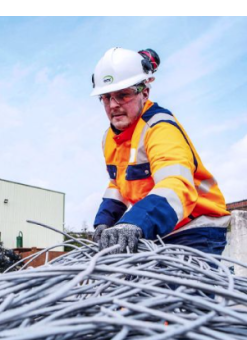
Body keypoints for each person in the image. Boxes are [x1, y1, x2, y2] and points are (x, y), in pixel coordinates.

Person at [91, 47, 231, 256]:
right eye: (106, 97)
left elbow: (176, 184)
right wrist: (104, 221)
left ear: (144, 92)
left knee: (177, 289)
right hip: (159, 227)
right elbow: (119, 184)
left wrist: (134, 221)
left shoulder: (160, 127)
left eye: (123, 95)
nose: (114, 105)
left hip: (196, 227)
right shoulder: (109, 138)